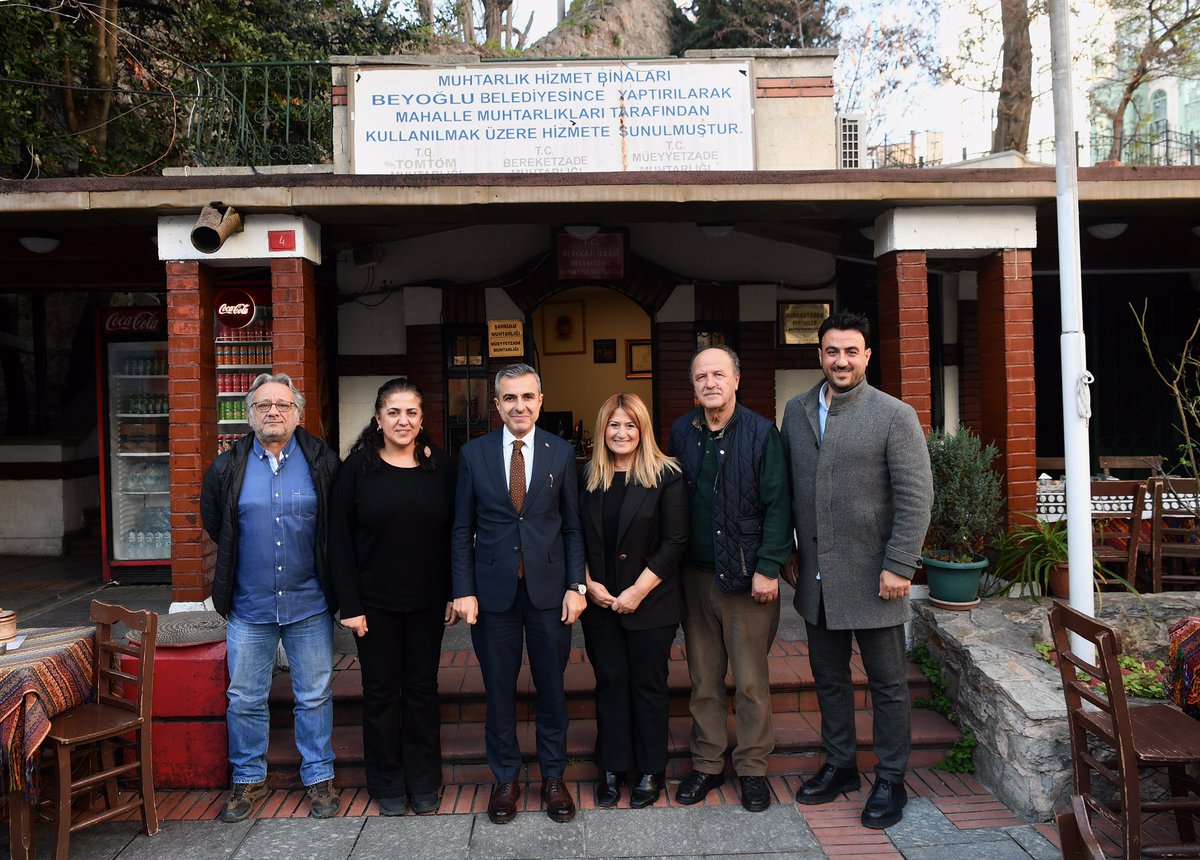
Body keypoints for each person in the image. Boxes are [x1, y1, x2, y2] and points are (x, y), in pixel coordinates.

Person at [781, 310, 933, 830]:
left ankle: (891, 779)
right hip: (817, 579)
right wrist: (788, 552)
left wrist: (899, 564)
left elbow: (916, 497)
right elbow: (787, 490)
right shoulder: (796, 410)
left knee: (888, 683)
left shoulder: (895, 414)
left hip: (876, 579)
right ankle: (841, 765)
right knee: (828, 678)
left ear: (868, 356)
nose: (840, 360)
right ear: (819, 355)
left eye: (851, 351)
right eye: (831, 351)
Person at [200, 373, 342, 822]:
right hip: (249, 605)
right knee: (244, 696)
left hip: (309, 603)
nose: (273, 412)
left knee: (315, 694)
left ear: (298, 413)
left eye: (282, 404)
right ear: (250, 415)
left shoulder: (321, 460)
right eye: (263, 405)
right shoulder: (227, 465)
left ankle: (319, 778)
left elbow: (336, 525)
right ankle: (247, 780)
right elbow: (213, 521)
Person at [450, 363, 587, 825]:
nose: (519, 406)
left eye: (527, 397)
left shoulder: (561, 452)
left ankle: (553, 777)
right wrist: (463, 590)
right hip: (493, 597)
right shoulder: (473, 454)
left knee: (552, 690)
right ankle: (505, 779)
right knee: (500, 692)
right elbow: (461, 529)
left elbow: (572, 527)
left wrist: (576, 585)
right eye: (509, 398)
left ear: (540, 400)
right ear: (496, 405)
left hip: (550, 594)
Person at [668, 346, 794, 813]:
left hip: (746, 578)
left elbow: (780, 505)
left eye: (718, 374)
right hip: (695, 577)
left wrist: (768, 567)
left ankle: (753, 769)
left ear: (737, 380)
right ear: (694, 385)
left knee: (750, 683)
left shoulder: (763, 432)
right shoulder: (682, 430)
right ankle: (707, 764)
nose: (710, 383)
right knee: (703, 679)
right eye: (701, 376)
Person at [327, 379, 458, 817]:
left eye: (412, 413)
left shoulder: (440, 466)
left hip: (427, 602)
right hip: (374, 605)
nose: (403, 421)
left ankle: (424, 780)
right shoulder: (356, 470)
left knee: (422, 691)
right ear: (378, 418)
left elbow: (454, 535)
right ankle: (386, 782)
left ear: (422, 419)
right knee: (381, 693)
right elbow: (339, 541)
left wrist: (454, 594)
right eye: (394, 413)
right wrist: (351, 605)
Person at [579, 393, 687, 809]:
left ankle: (649, 769)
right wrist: (588, 584)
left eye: (630, 425)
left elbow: (675, 541)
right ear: (602, 430)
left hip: (651, 603)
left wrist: (636, 592)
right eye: (613, 425)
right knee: (610, 683)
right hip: (601, 604)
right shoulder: (585, 476)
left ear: (643, 430)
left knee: (647, 685)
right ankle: (611, 767)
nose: (621, 433)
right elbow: (574, 538)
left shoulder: (667, 475)